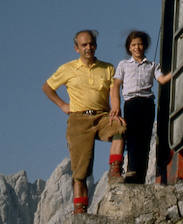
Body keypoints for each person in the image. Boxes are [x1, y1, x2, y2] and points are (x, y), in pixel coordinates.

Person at [43, 30, 125, 214]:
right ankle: (80, 209)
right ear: (76, 48)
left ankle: (115, 171)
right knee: (80, 171)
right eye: (84, 45)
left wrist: (115, 108)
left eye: (91, 44)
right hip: (79, 119)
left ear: (95, 45)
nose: (88, 48)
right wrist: (63, 105)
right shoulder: (67, 69)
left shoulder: (108, 68)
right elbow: (47, 87)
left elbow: (114, 90)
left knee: (120, 127)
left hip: (102, 116)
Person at [110, 30, 172, 183]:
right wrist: (116, 105)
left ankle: (141, 176)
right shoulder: (123, 65)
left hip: (147, 104)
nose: (137, 47)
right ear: (129, 48)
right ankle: (131, 170)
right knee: (132, 137)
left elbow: (162, 80)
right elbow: (116, 84)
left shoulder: (152, 66)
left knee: (145, 139)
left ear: (144, 46)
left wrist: (176, 71)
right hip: (131, 103)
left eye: (139, 44)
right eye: (133, 45)